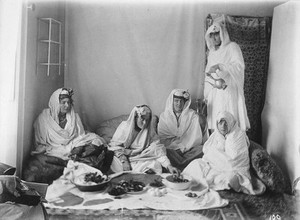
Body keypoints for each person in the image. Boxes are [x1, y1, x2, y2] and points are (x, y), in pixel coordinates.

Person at [24, 88, 113, 184]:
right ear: (55, 103)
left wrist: (75, 149)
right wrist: (61, 150)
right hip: (53, 151)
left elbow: (81, 136)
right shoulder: (43, 119)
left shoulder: (74, 117)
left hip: (73, 147)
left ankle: (71, 166)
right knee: (36, 165)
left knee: (96, 143)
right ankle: (70, 167)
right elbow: (40, 143)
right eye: (63, 102)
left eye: (69, 102)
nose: (67, 105)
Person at [182, 111, 265, 195]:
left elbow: (234, 161)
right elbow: (207, 152)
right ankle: (184, 182)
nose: (223, 126)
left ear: (231, 123)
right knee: (196, 164)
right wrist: (214, 157)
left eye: (226, 123)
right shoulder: (216, 135)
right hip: (214, 166)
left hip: (235, 170)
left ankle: (215, 182)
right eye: (220, 123)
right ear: (217, 124)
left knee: (228, 179)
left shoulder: (238, 135)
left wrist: (215, 156)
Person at [204, 21, 250, 132]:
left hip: (229, 90)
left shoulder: (232, 47)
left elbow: (239, 66)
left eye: (217, 34)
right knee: (216, 120)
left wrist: (221, 66)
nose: (214, 37)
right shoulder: (212, 53)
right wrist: (206, 93)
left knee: (229, 117)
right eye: (212, 35)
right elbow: (208, 74)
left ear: (222, 34)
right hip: (215, 92)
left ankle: (233, 144)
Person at [109, 105, 179, 175]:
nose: (145, 123)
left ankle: (143, 174)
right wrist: (124, 161)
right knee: (112, 161)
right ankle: (137, 172)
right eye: (142, 119)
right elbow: (115, 146)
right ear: (135, 117)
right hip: (124, 157)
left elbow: (157, 149)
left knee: (155, 163)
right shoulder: (124, 127)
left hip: (141, 157)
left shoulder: (149, 131)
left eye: (147, 120)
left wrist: (169, 166)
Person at [157, 89, 205, 171]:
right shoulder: (164, 116)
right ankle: (185, 165)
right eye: (176, 101)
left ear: (185, 102)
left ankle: (178, 165)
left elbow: (194, 136)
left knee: (202, 149)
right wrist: (175, 146)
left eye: (181, 101)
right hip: (171, 149)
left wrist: (183, 146)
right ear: (172, 102)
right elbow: (162, 138)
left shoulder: (192, 115)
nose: (178, 104)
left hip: (188, 149)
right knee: (162, 151)